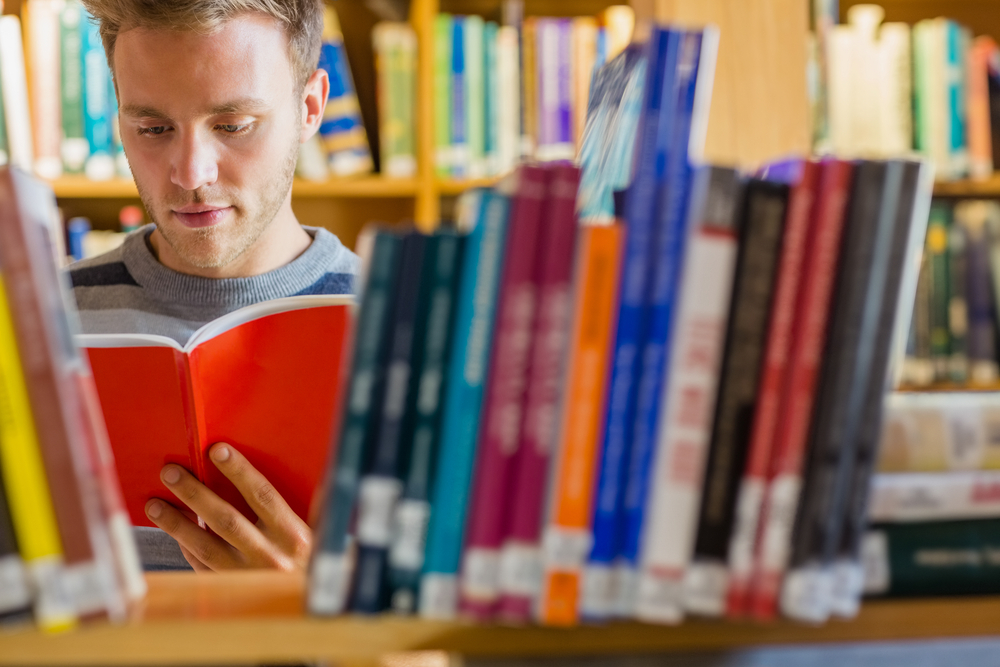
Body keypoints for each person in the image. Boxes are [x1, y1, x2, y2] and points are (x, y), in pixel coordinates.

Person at [70, 0, 359, 572]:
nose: (191, 173)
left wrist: (321, 621)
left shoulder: (409, 327)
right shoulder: (35, 322)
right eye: (152, 128)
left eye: (232, 126)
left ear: (310, 107)